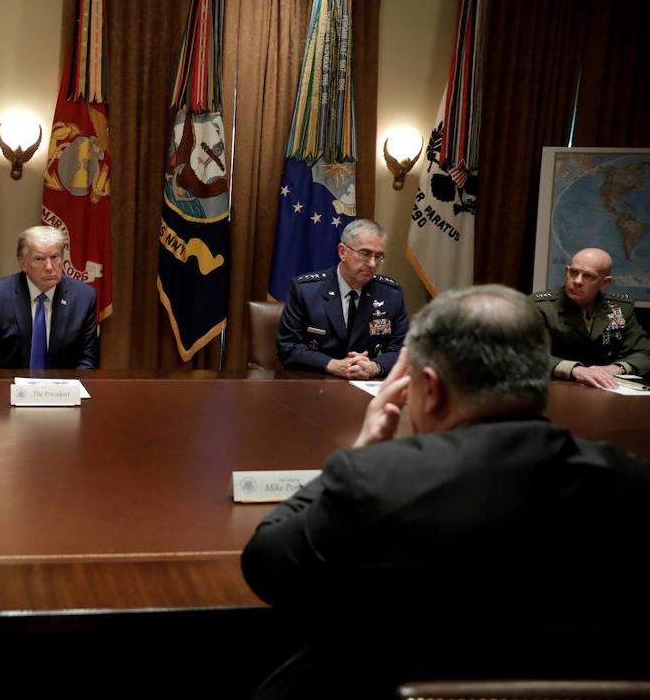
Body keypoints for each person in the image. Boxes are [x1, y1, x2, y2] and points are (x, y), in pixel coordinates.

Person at [243, 285, 650, 699]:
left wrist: (362, 449)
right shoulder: (630, 480)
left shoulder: (376, 479)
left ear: (431, 388)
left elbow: (266, 565)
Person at [275, 218, 408, 378]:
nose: (373, 264)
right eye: (365, 253)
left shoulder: (391, 294)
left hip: (368, 384)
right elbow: (288, 347)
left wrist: (375, 367)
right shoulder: (306, 290)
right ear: (342, 252)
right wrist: (330, 364)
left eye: (378, 256)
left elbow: (402, 350)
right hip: (317, 382)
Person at [0, 225, 99, 370]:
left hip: (63, 384)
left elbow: (88, 359)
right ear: (23, 264)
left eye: (55, 257)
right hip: (9, 382)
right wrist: (6, 384)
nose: (49, 267)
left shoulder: (84, 297)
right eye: (39, 259)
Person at [532, 247, 650, 389]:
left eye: (588, 276)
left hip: (607, 389)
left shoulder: (620, 308)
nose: (577, 281)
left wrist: (616, 368)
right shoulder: (541, 306)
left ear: (604, 282)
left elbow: (643, 352)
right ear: (567, 271)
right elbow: (525, 354)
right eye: (573, 272)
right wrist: (574, 370)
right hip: (556, 387)